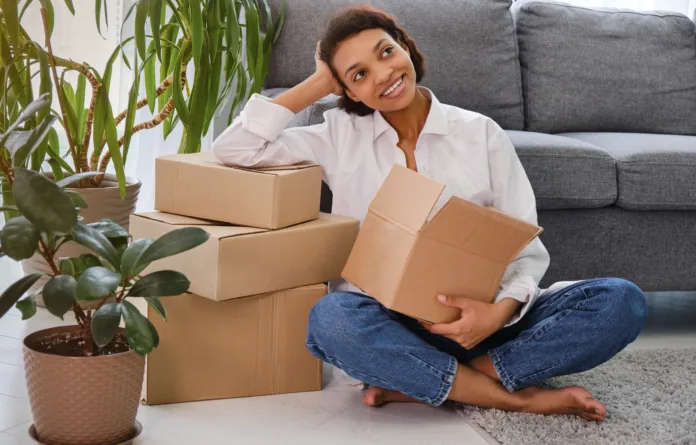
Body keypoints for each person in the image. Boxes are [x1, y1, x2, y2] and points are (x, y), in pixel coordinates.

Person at [212, 6, 647, 422]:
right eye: (359, 74)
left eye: (386, 52)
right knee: (331, 321)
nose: (383, 75)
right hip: (396, 328)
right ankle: (512, 399)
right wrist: (318, 82)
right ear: (347, 91)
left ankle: (430, 382)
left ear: (405, 45)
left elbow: (525, 247)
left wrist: (498, 313)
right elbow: (235, 149)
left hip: (488, 319)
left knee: (620, 301)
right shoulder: (339, 135)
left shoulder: (480, 133)